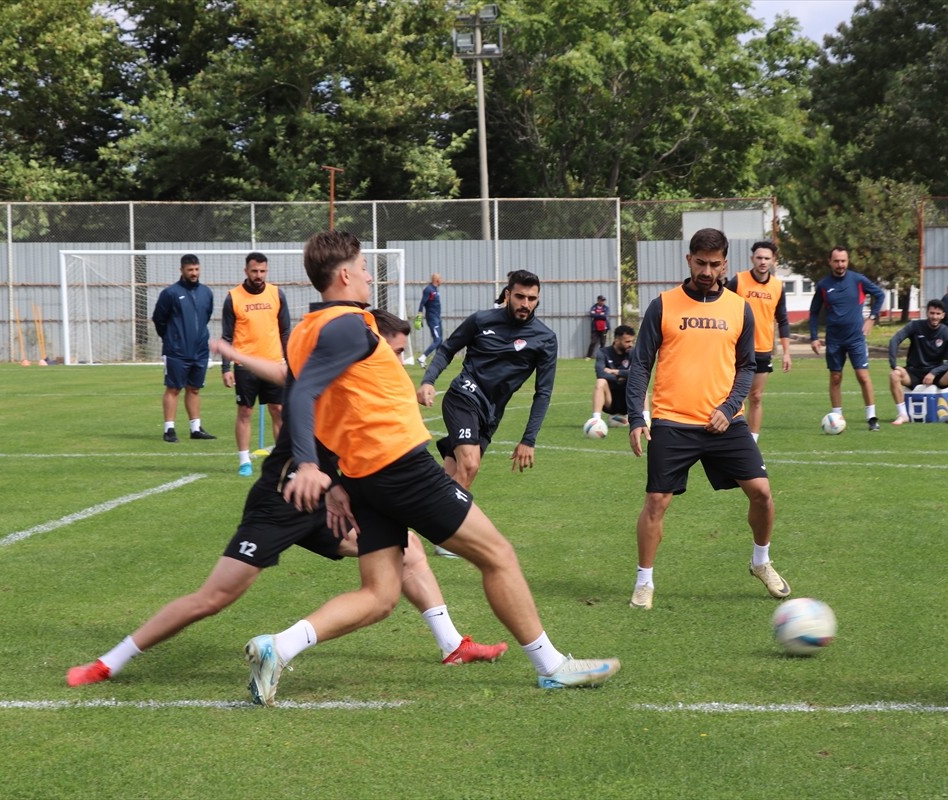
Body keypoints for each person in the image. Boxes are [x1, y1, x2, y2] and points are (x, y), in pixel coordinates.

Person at [243, 231, 618, 704]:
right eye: (361, 268)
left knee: (380, 596)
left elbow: (321, 406)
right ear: (343, 275)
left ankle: (277, 647)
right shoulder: (346, 325)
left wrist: (333, 476)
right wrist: (308, 466)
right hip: (399, 466)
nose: (366, 275)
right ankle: (552, 665)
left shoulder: (304, 330)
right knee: (497, 554)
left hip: (364, 474)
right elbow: (301, 396)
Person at [65, 311, 508, 688]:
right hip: (283, 500)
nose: (394, 362)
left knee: (408, 551)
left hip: (333, 500)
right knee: (213, 597)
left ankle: (452, 645)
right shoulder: (336, 369)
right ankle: (109, 662)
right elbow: (291, 379)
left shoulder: (367, 384)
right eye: (391, 352)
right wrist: (238, 358)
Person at [625, 228, 790, 611]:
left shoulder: (738, 307)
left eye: (715, 264)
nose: (707, 270)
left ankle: (760, 562)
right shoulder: (663, 305)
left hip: (725, 422)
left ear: (725, 264)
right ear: (689, 260)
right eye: (701, 262)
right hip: (672, 420)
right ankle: (644, 582)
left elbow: (747, 366)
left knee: (762, 494)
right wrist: (637, 416)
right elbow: (640, 366)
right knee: (656, 501)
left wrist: (730, 406)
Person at [417, 269, 557, 492]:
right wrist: (428, 380)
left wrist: (528, 439)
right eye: (520, 297)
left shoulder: (545, 339)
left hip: (491, 414)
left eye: (532, 299)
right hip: (464, 396)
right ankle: (439, 523)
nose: (526, 304)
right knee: (470, 466)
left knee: (455, 479)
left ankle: (419, 518)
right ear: (508, 295)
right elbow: (447, 349)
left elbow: (543, 392)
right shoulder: (481, 320)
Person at [221, 252, 290, 477]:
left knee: (278, 410)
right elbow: (227, 336)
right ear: (246, 271)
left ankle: (283, 462)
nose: (258, 275)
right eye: (254, 271)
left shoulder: (277, 294)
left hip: (274, 364)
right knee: (245, 411)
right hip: (245, 365)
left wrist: (290, 362)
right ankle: (244, 461)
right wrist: (225, 368)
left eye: (262, 271)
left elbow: (285, 331)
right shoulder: (233, 297)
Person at [808, 246, 886, 431]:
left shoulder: (858, 280)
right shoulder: (824, 285)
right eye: (836, 261)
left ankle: (872, 417)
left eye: (843, 261)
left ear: (848, 261)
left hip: (856, 339)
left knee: (863, 376)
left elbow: (880, 294)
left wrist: (872, 318)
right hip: (834, 340)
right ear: (830, 262)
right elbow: (813, 312)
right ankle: (837, 416)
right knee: (835, 377)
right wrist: (814, 337)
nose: (840, 264)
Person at [725, 240, 792, 442]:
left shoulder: (778, 286)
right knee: (733, 396)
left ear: (773, 261)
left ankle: (751, 440)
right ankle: (730, 435)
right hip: (737, 348)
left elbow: (783, 319)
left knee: (756, 396)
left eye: (767, 258)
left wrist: (787, 352)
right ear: (752, 258)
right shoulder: (738, 281)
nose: (763, 261)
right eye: (759, 257)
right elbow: (721, 305)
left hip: (763, 350)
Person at [152, 253, 216, 442]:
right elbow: (159, 319)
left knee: (194, 388)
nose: (194, 273)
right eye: (190, 270)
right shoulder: (170, 293)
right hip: (177, 351)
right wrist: (172, 338)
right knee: (173, 388)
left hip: (200, 350)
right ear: (182, 270)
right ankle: (169, 429)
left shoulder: (206, 292)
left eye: (196, 269)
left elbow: (207, 315)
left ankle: (195, 429)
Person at [886, 299, 948, 425]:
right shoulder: (915, 326)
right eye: (932, 313)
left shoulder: (947, 333)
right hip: (914, 372)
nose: (934, 316)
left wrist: (934, 372)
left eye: (938, 314)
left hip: (937, 374)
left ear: (943, 315)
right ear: (927, 313)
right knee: (894, 375)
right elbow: (895, 340)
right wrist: (894, 365)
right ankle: (903, 414)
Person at [589, 324, 638, 428]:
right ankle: (596, 420)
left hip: (627, 401)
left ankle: (645, 419)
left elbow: (636, 373)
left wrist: (615, 371)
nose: (631, 344)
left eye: (632, 341)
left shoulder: (633, 352)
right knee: (600, 382)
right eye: (627, 341)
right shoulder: (603, 352)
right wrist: (621, 378)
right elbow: (600, 373)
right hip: (609, 401)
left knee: (641, 383)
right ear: (617, 340)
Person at [415, 272, 443, 368]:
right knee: (437, 339)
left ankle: (438, 362)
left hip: (438, 318)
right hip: (432, 319)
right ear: (436, 280)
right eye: (440, 279)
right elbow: (422, 303)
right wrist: (419, 317)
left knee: (440, 340)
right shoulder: (429, 290)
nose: (441, 280)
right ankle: (422, 357)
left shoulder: (436, 290)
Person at [585, 295, 610, 359]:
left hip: (604, 328)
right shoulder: (594, 307)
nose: (603, 302)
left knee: (603, 342)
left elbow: (605, 316)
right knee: (593, 342)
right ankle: (588, 356)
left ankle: (602, 356)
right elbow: (592, 315)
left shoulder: (606, 308)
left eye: (603, 300)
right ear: (598, 300)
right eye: (601, 300)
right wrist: (600, 314)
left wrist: (597, 314)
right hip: (595, 328)